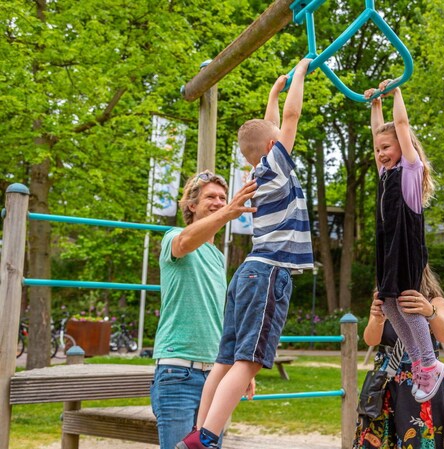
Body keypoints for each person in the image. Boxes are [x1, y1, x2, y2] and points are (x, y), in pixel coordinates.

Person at [176, 58, 314, 449]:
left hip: (247, 274)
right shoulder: (278, 165)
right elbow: (289, 118)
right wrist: (301, 74)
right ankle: (206, 436)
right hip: (269, 272)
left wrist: (273, 92)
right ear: (274, 148)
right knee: (249, 361)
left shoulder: (256, 173)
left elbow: (273, 126)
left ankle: (198, 430)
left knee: (225, 361)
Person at [150, 170, 257, 449]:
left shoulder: (218, 257)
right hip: (178, 372)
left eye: (223, 197)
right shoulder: (173, 237)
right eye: (211, 196)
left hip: (215, 376)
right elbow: (185, 243)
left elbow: (220, 320)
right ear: (191, 205)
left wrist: (238, 370)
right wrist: (230, 212)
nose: (219, 202)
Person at [364, 82, 444, 403]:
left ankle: (429, 363)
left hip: (407, 249)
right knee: (387, 303)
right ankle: (421, 364)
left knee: (407, 301)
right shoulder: (385, 174)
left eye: (387, 147)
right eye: (378, 149)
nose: (381, 153)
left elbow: (401, 125)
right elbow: (378, 131)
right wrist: (375, 104)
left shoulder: (410, 170)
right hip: (387, 249)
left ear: (403, 146)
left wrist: (396, 92)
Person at [354, 265, 444, 449]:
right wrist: (379, 318)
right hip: (387, 380)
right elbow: (370, 340)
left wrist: (430, 312)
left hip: (425, 380)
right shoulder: (386, 301)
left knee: (424, 437)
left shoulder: (435, 301)